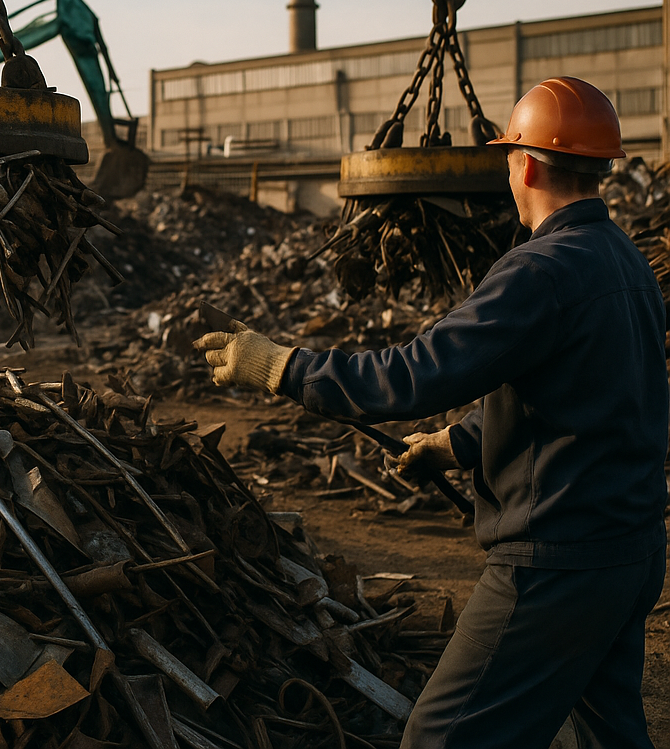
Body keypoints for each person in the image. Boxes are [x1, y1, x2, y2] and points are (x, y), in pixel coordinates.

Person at [196, 77, 668, 749]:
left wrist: (283, 366)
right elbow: (596, 390)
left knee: (442, 737)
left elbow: (415, 374)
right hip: (631, 551)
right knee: (610, 736)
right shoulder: (626, 262)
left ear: (526, 163)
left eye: (507, 158)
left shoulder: (539, 271)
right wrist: (459, 443)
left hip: (557, 564)